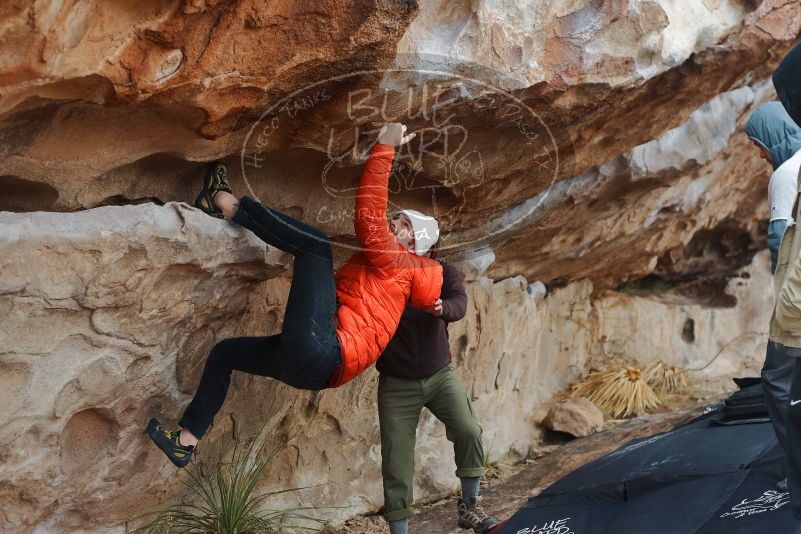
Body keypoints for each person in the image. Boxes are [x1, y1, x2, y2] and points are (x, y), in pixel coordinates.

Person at [147, 123, 444, 467]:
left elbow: (369, 219)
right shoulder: (386, 272)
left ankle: (226, 204)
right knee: (225, 354)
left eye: (408, 228)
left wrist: (384, 148)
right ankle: (186, 442)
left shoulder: (404, 266)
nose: (397, 225)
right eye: (400, 218)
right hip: (317, 370)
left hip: (326, 349)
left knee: (317, 246)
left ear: (415, 248)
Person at [375, 231, 498, 534]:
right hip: (397, 384)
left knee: (468, 430)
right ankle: (400, 531)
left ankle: (470, 507)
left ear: (429, 245)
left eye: (413, 235)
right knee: (396, 459)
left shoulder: (443, 272)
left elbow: (459, 302)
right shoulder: (380, 274)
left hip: (440, 375)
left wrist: (443, 308)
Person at [745, 102, 801, 465]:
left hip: (795, 306)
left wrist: (783, 306)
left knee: (778, 382)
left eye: (758, 144)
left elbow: (781, 243)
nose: (762, 155)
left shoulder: (785, 173)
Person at [769, 40, 801, 519]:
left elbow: (788, 251)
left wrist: (786, 320)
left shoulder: (786, 173)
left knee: (780, 392)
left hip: (795, 318)